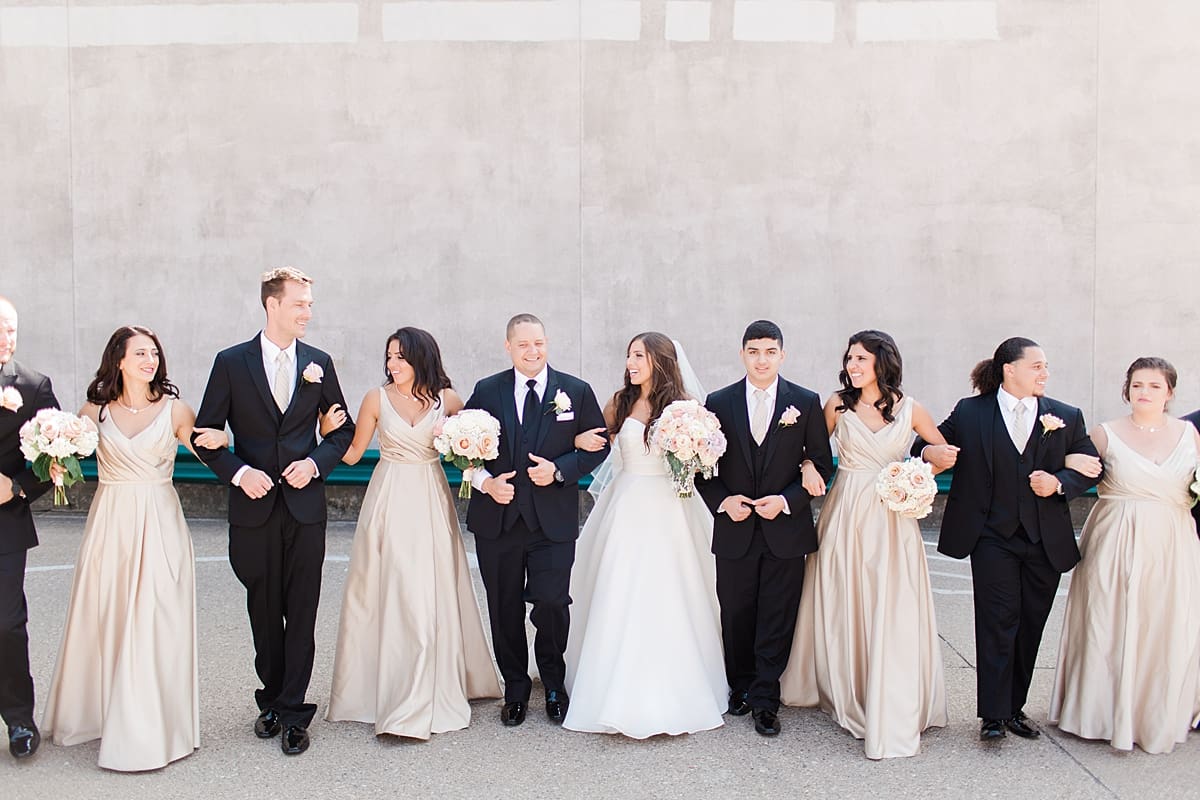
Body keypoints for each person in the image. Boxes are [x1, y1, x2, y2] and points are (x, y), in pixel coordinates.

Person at [191, 268, 355, 756]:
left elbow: (342, 433)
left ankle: (294, 711)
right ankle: (271, 698)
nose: (308, 312)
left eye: (310, 304)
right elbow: (206, 434)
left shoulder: (319, 363)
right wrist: (241, 473)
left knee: (302, 610)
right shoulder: (231, 363)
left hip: (305, 510)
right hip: (254, 510)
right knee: (264, 611)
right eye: (300, 303)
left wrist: (315, 462)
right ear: (272, 306)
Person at [915, 337, 1101, 742]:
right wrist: (932, 455)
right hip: (991, 536)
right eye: (1037, 366)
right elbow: (926, 443)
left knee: (1031, 624)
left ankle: (1015, 708)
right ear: (1009, 370)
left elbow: (1090, 466)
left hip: (1044, 540)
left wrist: (1059, 481)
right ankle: (994, 716)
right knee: (998, 621)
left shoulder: (1066, 415)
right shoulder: (970, 411)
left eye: (1046, 366)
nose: (1045, 373)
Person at [41, 326, 210, 771]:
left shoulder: (176, 409)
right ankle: (99, 713)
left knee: (155, 617)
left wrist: (221, 441)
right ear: (118, 359)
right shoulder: (93, 412)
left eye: (154, 353)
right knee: (108, 612)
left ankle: (153, 726)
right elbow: (68, 457)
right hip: (110, 520)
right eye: (140, 353)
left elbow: (203, 445)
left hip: (159, 518)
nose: (149, 361)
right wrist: (55, 455)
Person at [321, 327, 501, 738]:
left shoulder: (448, 401)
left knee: (430, 588)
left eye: (400, 357)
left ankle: (431, 684)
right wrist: (327, 430)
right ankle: (388, 688)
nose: (392, 364)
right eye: (389, 357)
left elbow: (464, 457)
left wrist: (481, 466)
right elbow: (350, 456)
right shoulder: (375, 398)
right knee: (392, 588)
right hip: (388, 498)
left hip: (431, 496)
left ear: (421, 358)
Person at [780, 330, 949, 758]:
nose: (853, 366)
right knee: (844, 595)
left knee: (890, 599)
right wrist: (805, 468)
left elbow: (941, 450)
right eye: (849, 359)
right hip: (847, 510)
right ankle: (844, 685)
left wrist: (919, 465)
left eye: (861, 359)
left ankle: (891, 686)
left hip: (892, 514)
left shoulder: (911, 409)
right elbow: (811, 450)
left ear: (882, 362)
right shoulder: (837, 405)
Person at [563, 333, 726, 738]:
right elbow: (596, 446)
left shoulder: (684, 408)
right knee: (619, 587)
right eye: (629, 355)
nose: (632, 362)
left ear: (660, 360)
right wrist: (577, 440)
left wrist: (693, 451)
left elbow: (704, 458)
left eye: (640, 355)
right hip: (626, 503)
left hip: (671, 507)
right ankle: (606, 686)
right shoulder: (618, 402)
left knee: (672, 590)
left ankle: (679, 684)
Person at [463, 313, 609, 727]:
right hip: (499, 521)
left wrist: (561, 469)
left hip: (552, 523)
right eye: (524, 345)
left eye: (539, 343)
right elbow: (462, 449)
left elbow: (598, 446)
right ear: (508, 347)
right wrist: (487, 482)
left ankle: (554, 682)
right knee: (504, 607)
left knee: (551, 603)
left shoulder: (575, 392)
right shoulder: (487, 391)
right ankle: (515, 688)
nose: (533, 351)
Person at [1049, 357, 1200, 753]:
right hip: (1115, 538)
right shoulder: (1104, 433)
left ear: (1169, 392)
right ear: (1126, 390)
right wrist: (1066, 462)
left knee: (1163, 622)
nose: (1144, 392)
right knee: (1109, 619)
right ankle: (1100, 712)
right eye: (1137, 385)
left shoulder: (1189, 434)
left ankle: (1154, 713)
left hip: (1173, 540)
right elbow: (1070, 471)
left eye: (1154, 385)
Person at [696, 320, 834, 737]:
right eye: (754, 351)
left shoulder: (805, 402)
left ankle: (765, 699)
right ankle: (739, 686)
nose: (762, 359)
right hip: (735, 529)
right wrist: (723, 501)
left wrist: (788, 501)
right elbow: (704, 467)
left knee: (777, 614)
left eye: (770, 351)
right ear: (742, 354)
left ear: (782, 355)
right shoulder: (717, 402)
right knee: (736, 612)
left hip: (785, 531)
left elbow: (822, 465)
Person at [0, 296, 58, 760]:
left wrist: (18, 488)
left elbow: (56, 456)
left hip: (5, 525)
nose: (6, 339)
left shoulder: (35, 387)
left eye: (11, 330)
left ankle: (19, 719)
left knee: (7, 624)